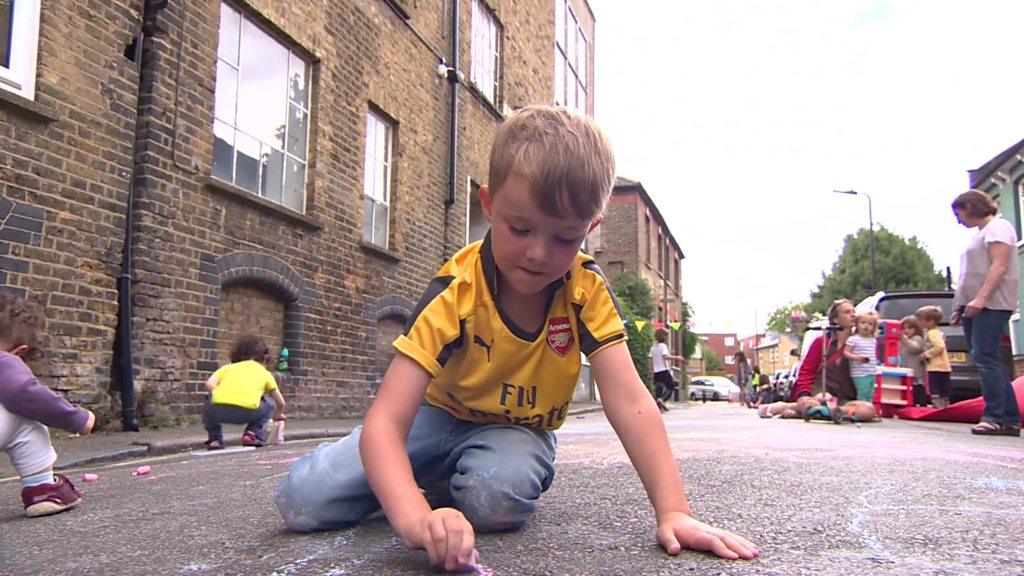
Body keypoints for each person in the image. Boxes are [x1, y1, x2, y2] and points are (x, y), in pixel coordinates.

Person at [273, 106, 758, 571]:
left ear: (590, 228)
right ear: (488, 204)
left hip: (515, 429)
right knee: (304, 502)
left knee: (495, 501)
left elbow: (631, 400)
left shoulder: (585, 289)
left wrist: (673, 510)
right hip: (435, 417)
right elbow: (386, 422)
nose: (539, 254)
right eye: (520, 228)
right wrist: (417, 520)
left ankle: (437, 482)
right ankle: (420, 483)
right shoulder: (456, 291)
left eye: (565, 238)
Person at [0, 292, 95, 517]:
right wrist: (79, 419)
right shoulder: (5, 362)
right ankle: (42, 488)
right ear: (21, 351)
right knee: (26, 419)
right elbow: (27, 394)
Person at [950, 189, 1022, 436]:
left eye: (958, 213)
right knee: (985, 358)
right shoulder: (981, 234)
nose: (958, 220)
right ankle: (1010, 419)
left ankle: (995, 416)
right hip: (975, 305)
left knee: (986, 358)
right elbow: (970, 273)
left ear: (970, 207)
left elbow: (999, 265)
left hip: (991, 304)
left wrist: (981, 298)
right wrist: (959, 306)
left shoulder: (998, 227)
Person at [788, 298, 877, 419]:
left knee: (868, 409)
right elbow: (807, 371)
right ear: (835, 319)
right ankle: (818, 410)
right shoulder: (821, 342)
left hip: (844, 399)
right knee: (813, 402)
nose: (852, 315)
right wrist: (804, 394)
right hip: (820, 394)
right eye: (847, 312)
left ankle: (829, 412)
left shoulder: (860, 344)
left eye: (853, 312)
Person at [203, 335, 286, 449]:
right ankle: (251, 434)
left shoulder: (227, 368)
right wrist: (278, 414)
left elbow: (208, 384)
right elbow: (280, 402)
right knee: (270, 403)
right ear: (264, 358)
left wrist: (224, 393)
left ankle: (215, 438)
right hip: (248, 412)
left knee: (209, 399)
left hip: (219, 412)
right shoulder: (264, 372)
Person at [916, 306, 951, 409]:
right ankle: (945, 406)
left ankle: (938, 406)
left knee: (934, 388)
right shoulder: (937, 331)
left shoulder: (931, 333)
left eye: (920, 320)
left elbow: (939, 346)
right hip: (944, 366)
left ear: (930, 321)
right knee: (944, 388)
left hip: (935, 366)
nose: (919, 323)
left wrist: (926, 354)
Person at [843, 312, 878, 403]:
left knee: (870, 393)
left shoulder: (873, 340)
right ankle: (861, 410)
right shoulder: (853, 339)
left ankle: (868, 410)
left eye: (870, 324)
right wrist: (857, 357)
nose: (866, 326)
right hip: (859, 372)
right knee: (862, 392)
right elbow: (846, 352)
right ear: (857, 324)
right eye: (863, 323)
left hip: (871, 371)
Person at [649, 327, 684, 412]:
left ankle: (659, 407)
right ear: (664, 337)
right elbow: (666, 357)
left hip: (656, 372)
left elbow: (650, 359)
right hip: (663, 371)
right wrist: (677, 357)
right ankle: (662, 401)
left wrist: (650, 370)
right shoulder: (663, 346)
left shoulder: (653, 348)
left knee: (659, 388)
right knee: (671, 386)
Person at [899, 315, 928, 406]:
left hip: (916, 372)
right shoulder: (902, 342)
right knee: (908, 391)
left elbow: (915, 348)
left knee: (918, 390)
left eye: (910, 328)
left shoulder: (917, 339)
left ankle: (922, 404)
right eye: (903, 328)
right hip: (905, 371)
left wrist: (903, 339)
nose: (906, 330)